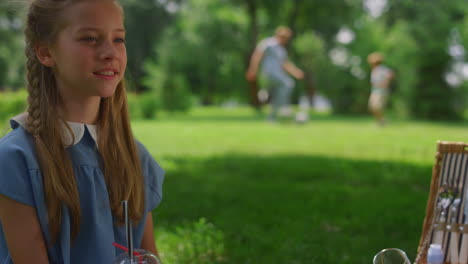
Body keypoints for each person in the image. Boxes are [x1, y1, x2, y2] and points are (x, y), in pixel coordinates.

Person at [0, 0, 165, 263]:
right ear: (45, 53)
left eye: (118, 39)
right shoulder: (16, 158)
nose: (110, 52)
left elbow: (149, 254)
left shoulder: (134, 156)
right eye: (90, 38)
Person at [246, 26, 304, 121]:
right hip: (269, 73)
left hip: (278, 74)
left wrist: (296, 72)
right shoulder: (268, 43)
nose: (285, 40)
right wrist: (252, 70)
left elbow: (284, 64)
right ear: (278, 35)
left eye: (287, 38)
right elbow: (257, 55)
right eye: (284, 37)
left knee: (281, 92)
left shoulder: (282, 50)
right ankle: (282, 107)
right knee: (288, 84)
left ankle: (271, 114)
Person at [367, 52, 394, 126]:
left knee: (376, 106)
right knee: (372, 107)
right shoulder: (374, 70)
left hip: (381, 91)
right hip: (375, 90)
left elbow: (390, 74)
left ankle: (381, 121)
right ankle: (381, 121)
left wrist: (385, 83)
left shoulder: (382, 69)